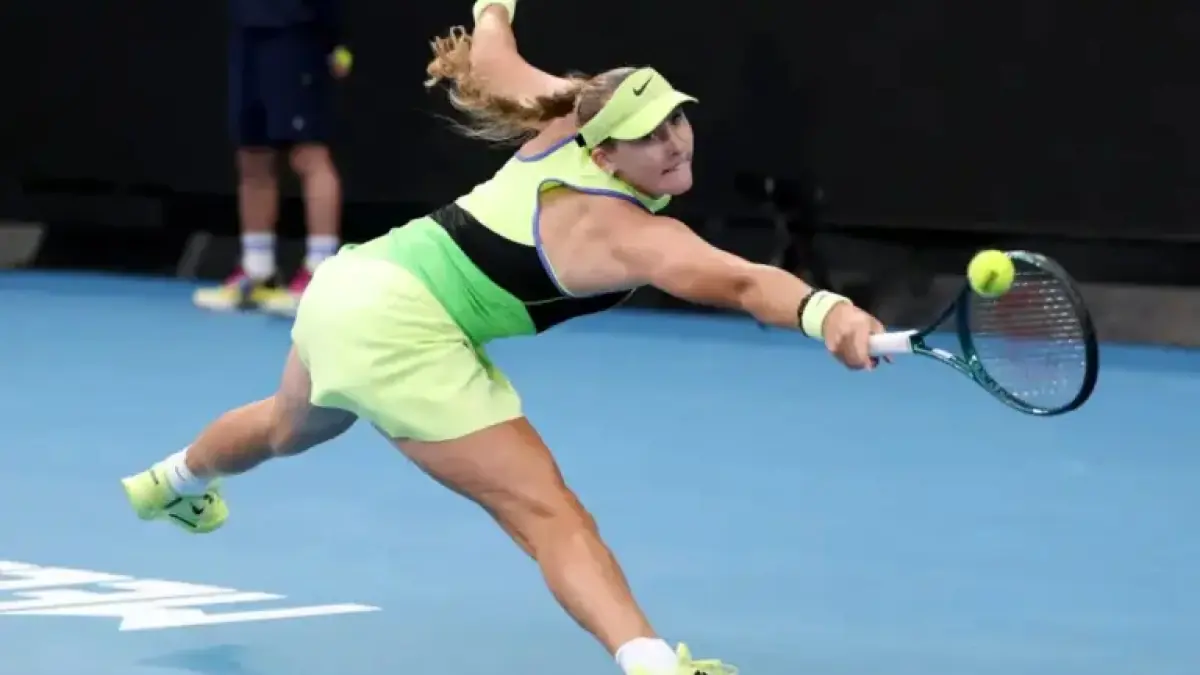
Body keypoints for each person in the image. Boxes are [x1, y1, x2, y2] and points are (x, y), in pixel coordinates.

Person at [122, 1, 887, 673]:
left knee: (287, 427)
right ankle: (654, 663)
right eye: (648, 135)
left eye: (675, 120)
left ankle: (170, 481)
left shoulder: (566, 114)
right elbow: (745, 282)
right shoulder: (624, 231)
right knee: (548, 513)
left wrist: (495, 8)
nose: (674, 142)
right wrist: (829, 312)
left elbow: (493, 55)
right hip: (402, 327)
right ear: (605, 152)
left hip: (351, 285)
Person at [193, 0, 351, 315]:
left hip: (298, 33)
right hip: (248, 29)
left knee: (308, 154)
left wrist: (337, 42)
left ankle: (320, 272)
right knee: (252, 154)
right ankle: (257, 271)